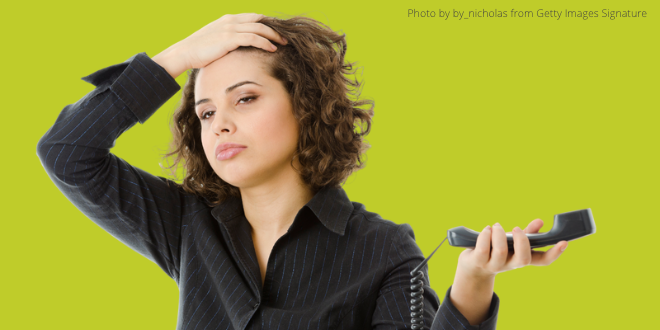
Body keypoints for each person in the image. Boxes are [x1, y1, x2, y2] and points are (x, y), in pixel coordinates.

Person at [36, 13, 568, 330]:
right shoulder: (186, 224)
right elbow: (67, 152)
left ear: (305, 105)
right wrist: (181, 55)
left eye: (244, 98)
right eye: (206, 111)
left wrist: (473, 283)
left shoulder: (384, 251)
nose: (219, 124)